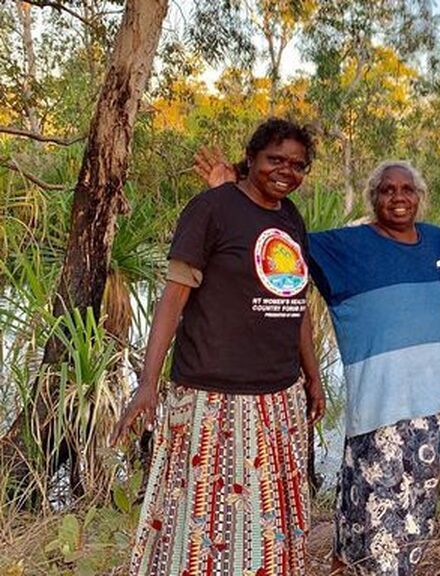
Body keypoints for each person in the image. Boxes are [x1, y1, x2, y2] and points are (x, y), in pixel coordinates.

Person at [111, 118, 326, 576]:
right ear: (250, 159)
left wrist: (313, 376)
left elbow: (297, 301)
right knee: (204, 519)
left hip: (278, 396)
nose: (286, 171)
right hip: (215, 396)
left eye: (297, 164)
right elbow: (174, 296)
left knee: (269, 522)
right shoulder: (212, 208)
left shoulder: (290, 218)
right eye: (275, 160)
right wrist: (147, 383)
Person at [306, 160, 440, 576]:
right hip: (379, 399)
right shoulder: (346, 245)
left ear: (419, 196)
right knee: (376, 497)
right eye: (387, 190)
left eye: (407, 189)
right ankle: (366, 565)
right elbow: (284, 243)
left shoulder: (439, 242)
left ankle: (359, 565)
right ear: (373, 197)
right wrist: (232, 189)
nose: (398, 197)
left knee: (414, 498)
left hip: (430, 398)